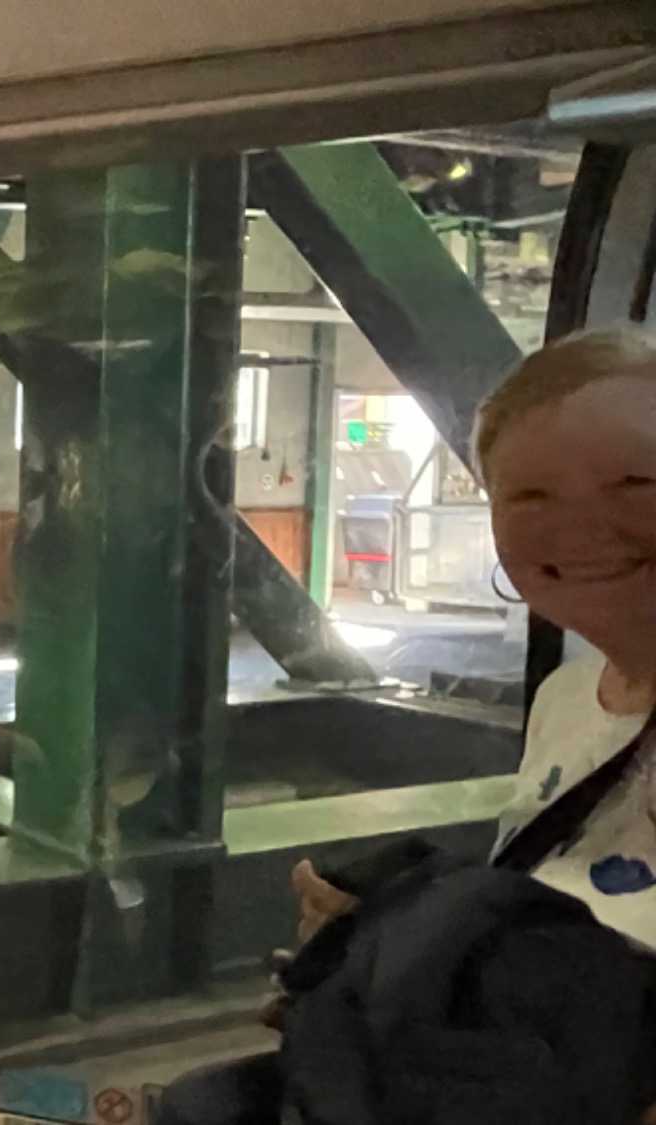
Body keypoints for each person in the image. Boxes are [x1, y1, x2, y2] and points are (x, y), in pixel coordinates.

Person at [157, 324, 656, 1125]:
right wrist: (390, 936)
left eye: (634, 479)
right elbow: (550, 930)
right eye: (530, 496)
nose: (579, 523)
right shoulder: (568, 700)